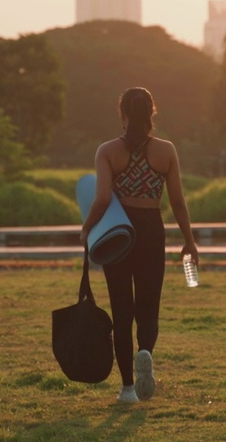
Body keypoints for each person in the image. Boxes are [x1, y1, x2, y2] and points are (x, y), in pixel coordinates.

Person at [81, 87, 198, 403]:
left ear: (123, 114)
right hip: (151, 230)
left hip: (119, 233)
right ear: (151, 114)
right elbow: (177, 200)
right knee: (149, 305)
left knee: (122, 308)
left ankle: (128, 388)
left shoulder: (107, 151)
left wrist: (87, 228)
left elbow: (103, 198)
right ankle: (145, 350)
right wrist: (189, 241)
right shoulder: (166, 150)